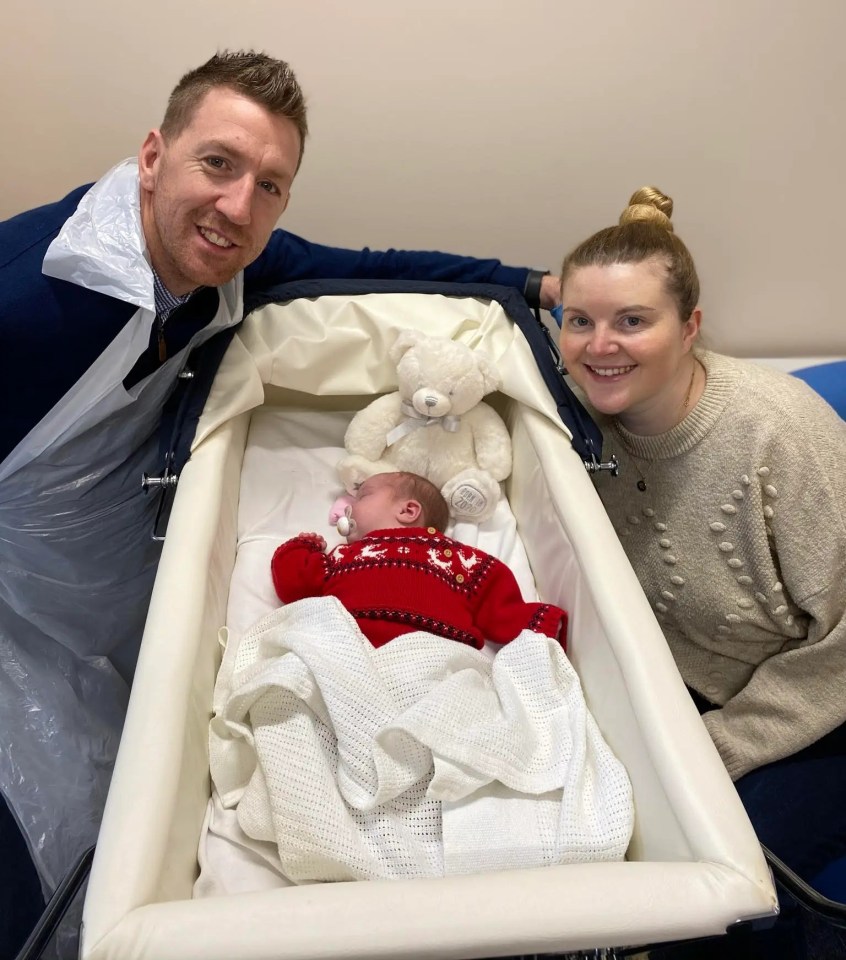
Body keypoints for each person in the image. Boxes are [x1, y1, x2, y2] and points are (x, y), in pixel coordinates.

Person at [0, 49, 560, 954]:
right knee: (37, 795)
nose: (238, 207)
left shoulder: (230, 256)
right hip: (19, 561)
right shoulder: (29, 297)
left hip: (104, 538)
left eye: (270, 186)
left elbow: (382, 266)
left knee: (124, 735)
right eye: (217, 164)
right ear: (153, 155)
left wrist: (536, 287)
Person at [557, 186, 846, 958]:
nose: (600, 344)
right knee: (578, 844)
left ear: (689, 328)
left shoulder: (777, 436)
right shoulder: (575, 429)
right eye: (578, 321)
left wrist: (725, 744)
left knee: (723, 901)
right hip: (689, 683)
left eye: (632, 321)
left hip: (821, 702)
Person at [271, 471, 567, 649]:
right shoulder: (344, 556)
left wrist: (537, 626)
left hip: (434, 654)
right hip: (348, 647)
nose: (348, 508)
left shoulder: (452, 557)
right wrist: (305, 546)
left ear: (408, 511)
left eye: (362, 496)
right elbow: (295, 583)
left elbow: (496, 598)